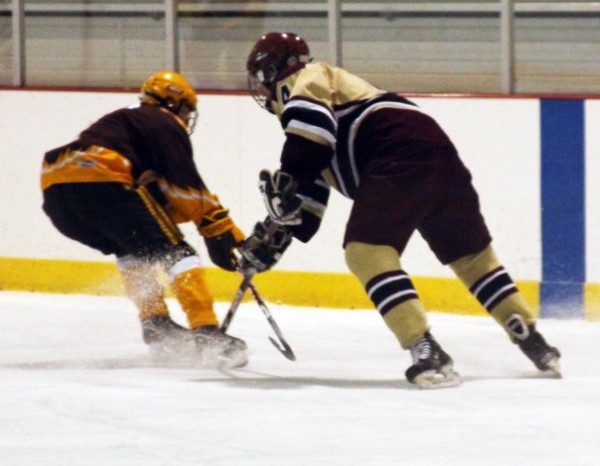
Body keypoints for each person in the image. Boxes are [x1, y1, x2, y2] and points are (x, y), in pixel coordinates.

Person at [239, 32, 561, 388]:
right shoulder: (321, 129)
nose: (262, 89)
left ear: (275, 70)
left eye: (262, 77)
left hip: (398, 151)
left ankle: (425, 349)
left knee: (365, 253)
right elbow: (304, 204)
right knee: (471, 257)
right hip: (437, 155)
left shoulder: (306, 79)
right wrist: (271, 239)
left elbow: (308, 140)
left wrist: (288, 178)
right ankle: (534, 342)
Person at [41, 70, 248, 367]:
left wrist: (206, 222)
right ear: (173, 102)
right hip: (102, 178)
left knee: (132, 247)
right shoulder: (164, 121)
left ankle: (156, 326)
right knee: (177, 252)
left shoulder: (125, 120)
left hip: (57, 192)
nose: (188, 117)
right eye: (187, 109)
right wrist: (219, 227)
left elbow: (160, 203)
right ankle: (207, 332)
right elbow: (186, 188)